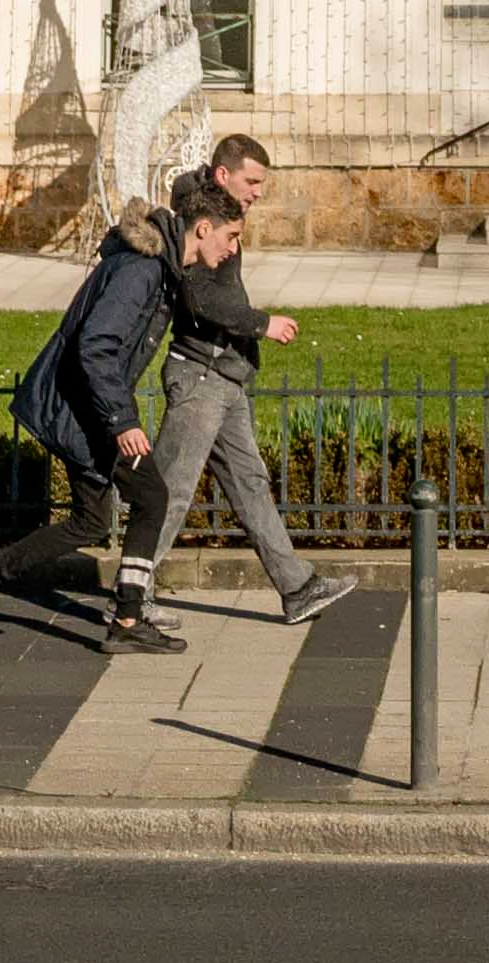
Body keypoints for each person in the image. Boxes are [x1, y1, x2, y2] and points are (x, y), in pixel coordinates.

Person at [135, 160, 350, 626]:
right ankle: (133, 595)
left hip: (225, 378)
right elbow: (199, 299)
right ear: (222, 176)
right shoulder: (197, 225)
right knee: (172, 490)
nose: (256, 193)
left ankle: (297, 588)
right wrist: (260, 324)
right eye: (251, 182)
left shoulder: (223, 220)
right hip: (200, 376)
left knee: (251, 484)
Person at [0, 181, 181, 653]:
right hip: (87, 411)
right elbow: (97, 348)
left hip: (85, 406)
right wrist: (123, 420)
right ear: (202, 229)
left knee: (90, 520)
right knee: (151, 496)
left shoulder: (153, 268)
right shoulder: (142, 271)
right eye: (229, 239)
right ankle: (126, 618)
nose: (230, 250)